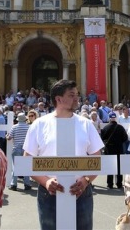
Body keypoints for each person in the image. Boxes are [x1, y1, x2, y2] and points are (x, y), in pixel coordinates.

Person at [23, 79, 104, 230]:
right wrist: (46, 182)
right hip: (49, 193)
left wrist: (86, 180)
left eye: (77, 94)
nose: (77, 98)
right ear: (59, 99)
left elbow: (97, 159)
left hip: (81, 191)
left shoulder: (86, 124)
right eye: (72, 95)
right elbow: (27, 162)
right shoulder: (39, 125)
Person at [100, 111, 128, 189]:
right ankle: (119, 183)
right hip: (119, 148)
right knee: (119, 167)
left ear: (109, 118)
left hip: (109, 149)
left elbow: (102, 138)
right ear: (115, 118)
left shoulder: (105, 128)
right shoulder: (120, 127)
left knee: (110, 167)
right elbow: (125, 138)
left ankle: (110, 184)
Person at [7, 112, 31, 191]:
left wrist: (7, 136)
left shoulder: (14, 127)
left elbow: (9, 138)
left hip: (16, 148)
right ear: (25, 119)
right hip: (26, 149)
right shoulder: (28, 127)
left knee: (15, 167)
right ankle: (27, 184)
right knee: (26, 167)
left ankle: (14, 184)